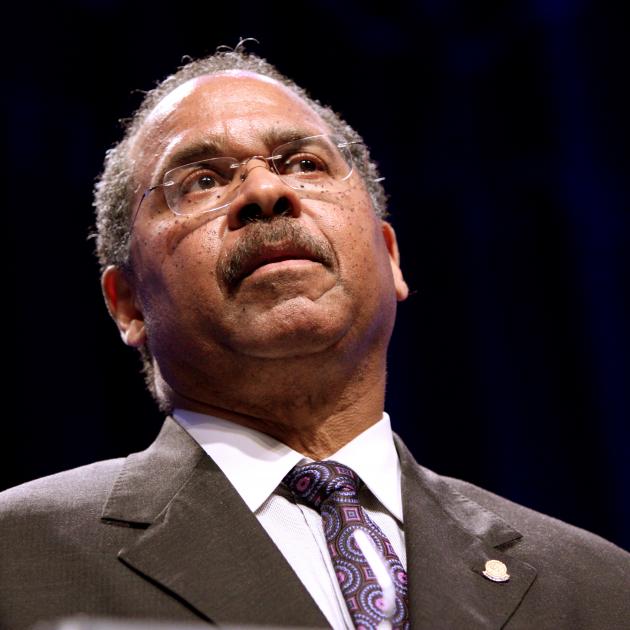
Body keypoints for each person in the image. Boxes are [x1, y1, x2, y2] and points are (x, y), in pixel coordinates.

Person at [0, 46, 628, 630]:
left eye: (304, 164)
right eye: (201, 181)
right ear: (129, 304)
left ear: (391, 259)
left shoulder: (600, 589)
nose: (267, 192)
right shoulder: (18, 558)